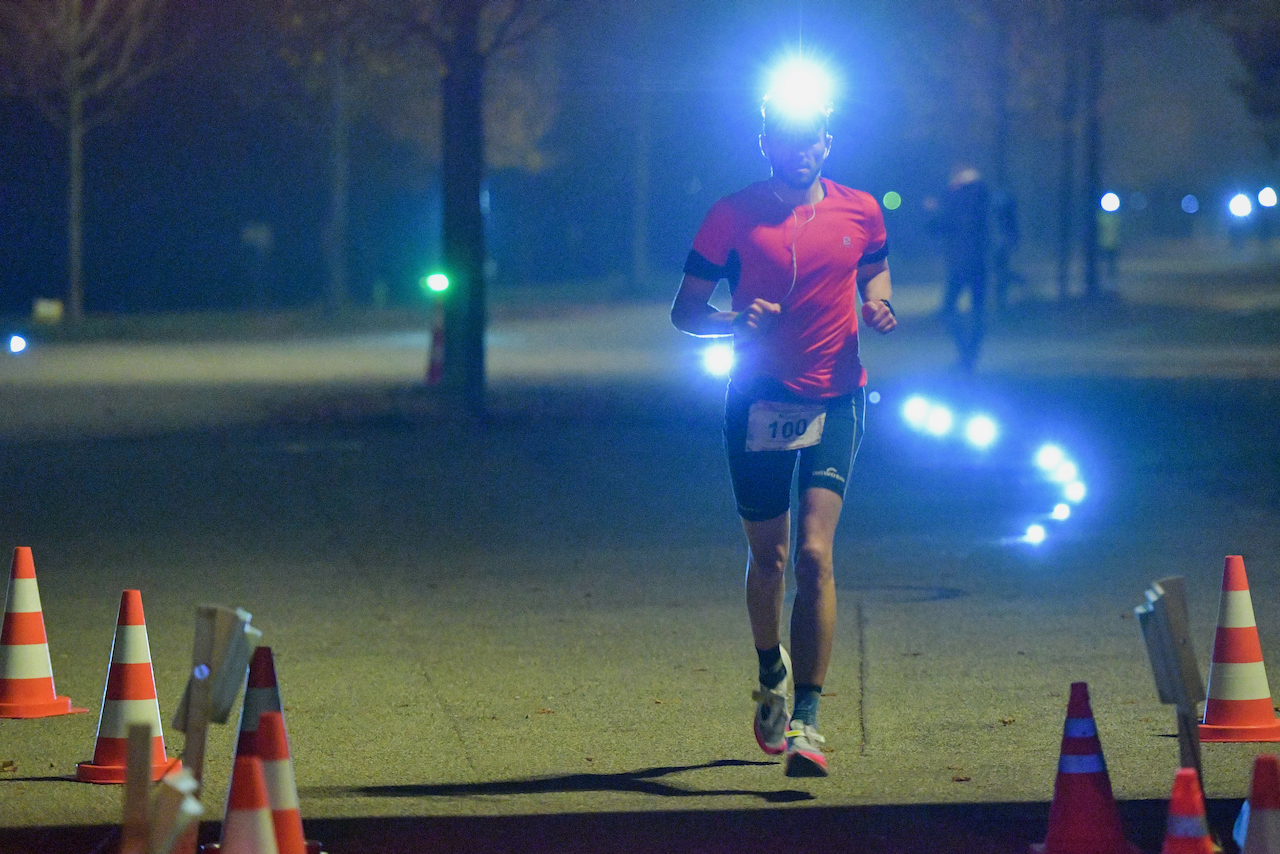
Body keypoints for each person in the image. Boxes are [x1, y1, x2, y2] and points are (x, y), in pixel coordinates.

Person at [670, 90, 896, 777]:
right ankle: (771, 669)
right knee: (768, 560)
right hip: (758, 402)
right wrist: (732, 322)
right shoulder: (730, 215)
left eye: (817, 140)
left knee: (814, 557)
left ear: (828, 142)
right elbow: (685, 312)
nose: (806, 151)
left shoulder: (861, 208)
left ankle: (807, 722)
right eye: (792, 140)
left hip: (838, 397)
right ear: (767, 143)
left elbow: (874, 268)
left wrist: (878, 303)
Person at [926, 164, 990, 372]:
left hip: (961, 263)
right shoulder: (982, 198)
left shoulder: (957, 199)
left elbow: (938, 227)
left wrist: (933, 212)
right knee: (977, 310)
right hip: (978, 262)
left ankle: (967, 355)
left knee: (949, 309)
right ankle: (970, 355)